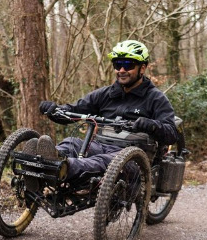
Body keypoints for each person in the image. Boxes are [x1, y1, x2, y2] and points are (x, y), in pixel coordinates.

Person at [24, 40, 177, 183]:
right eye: (117, 65)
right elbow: (74, 111)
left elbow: (171, 133)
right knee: (73, 144)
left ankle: (63, 168)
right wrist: (55, 110)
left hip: (133, 157)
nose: (121, 70)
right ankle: (43, 162)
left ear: (142, 68)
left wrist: (151, 125)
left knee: (102, 162)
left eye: (128, 65)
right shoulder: (106, 94)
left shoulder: (155, 98)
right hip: (100, 146)